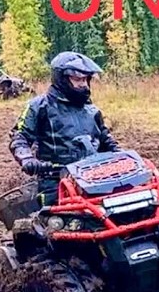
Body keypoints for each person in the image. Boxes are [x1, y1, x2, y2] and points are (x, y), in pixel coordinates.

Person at [8, 51, 117, 206]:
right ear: (62, 79)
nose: (83, 84)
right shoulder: (39, 106)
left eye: (85, 79)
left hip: (94, 175)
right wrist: (27, 158)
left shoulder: (91, 109)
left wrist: (121, 155)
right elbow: (20, 137)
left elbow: (106, 139)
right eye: (77, 79)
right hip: (56, 180)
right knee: (57, 217)